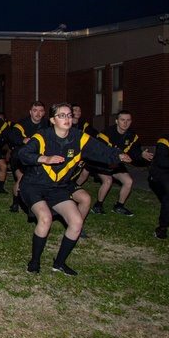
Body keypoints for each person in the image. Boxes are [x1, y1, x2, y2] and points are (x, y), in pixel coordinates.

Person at [18, 103, 132, 276]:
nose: (67, 119)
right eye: (62, 115)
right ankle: (34, 262)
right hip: (34, 185)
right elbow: (23, 154)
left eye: (69, 115)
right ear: (52, 120)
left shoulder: (79, 137)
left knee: (77, 222)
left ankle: (60, 263)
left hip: (58, 187)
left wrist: (117, 155)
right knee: (45, 218)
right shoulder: (42, 136)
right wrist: (45, 158)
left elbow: (99, 150)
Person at [87, 109, 154, 216]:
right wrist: (113, 155)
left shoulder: (132, 135)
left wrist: (142, 155)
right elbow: (100, 151)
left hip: (117, 163)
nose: (125, 123)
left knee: (128, 181)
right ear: (117, 121)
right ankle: (97, 205)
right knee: (108, 181)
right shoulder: (107, 133)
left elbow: (134, 151)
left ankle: (119, 206)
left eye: (128, 120)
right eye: (122, 120)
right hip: (103, 163)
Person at [7, 102, 48, 212]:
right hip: (20, 156)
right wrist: (23, 140)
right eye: (35, 110)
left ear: (44, 113)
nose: (37, 113)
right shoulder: (21, 124)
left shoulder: (48, 124)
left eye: (40, 111)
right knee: (21, 178)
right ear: (30, 112)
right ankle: (15, 203)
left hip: (38, 156)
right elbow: (12, 136)